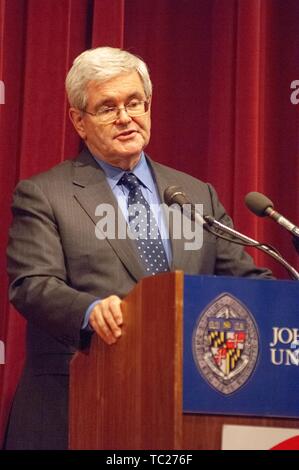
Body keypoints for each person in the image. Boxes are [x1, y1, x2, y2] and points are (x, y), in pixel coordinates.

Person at [5, 46, 272, 450]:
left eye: (135, 103)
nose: (126, 117)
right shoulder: (45, 194)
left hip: (183, 408)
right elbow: (32, 284)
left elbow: (245, 280)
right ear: (79, 121)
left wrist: (282, 299)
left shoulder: (194, 194)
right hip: (79, 402)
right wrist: (90, 310)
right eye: (107, 108)